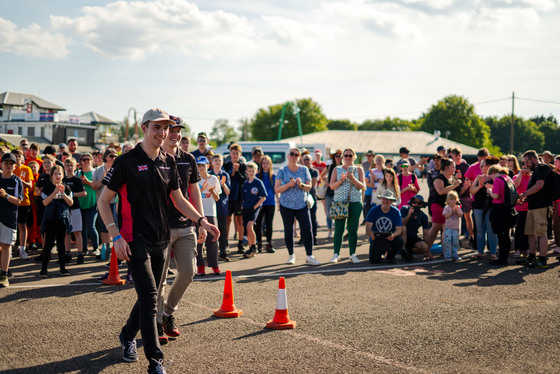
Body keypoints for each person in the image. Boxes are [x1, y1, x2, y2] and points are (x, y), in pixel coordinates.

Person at [98, 108, 219, 374]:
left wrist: (201, 220)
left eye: (165, 128)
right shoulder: (126, 161)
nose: (162, 133)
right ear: (144, 128)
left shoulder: (169, 161)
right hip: (134, 239)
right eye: (157, 127)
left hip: (161, 238)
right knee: (152, 297)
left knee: (147, 297)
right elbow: (103, 201)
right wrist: (115, 235)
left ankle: (127, 334)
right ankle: (156, 362)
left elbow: (178, 199)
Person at [156, 115, 204, 343]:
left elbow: (194, 192)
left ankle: (167, 312)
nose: (175, 134)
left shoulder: (189, 159)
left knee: (188, 272)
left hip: (186, 226)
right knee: (160, 278)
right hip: (161, 228)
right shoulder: (156, 158)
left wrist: (201, 220)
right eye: (171, 130)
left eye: (178, 131)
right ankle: (155, 322)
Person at [275, 147, 320, 265]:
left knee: (307, 229)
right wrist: (289, 185)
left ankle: (309, 256)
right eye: (292, 154)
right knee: (289, 230)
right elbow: (277, 188)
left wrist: (301, 185)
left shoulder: (304, 169)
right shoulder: (282, 170)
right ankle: (291, 255)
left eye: (296, 154)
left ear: (299, 157)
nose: (294, 156)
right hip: (286, 205)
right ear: (288, 156)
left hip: (302, 204)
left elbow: (309, 187)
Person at [329, 148, 365, 263]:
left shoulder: (359, 169)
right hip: (339, 202)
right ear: (342, 157)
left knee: (352, 229)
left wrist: (352, 178)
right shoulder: (337, 169)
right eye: (346, 156)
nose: (348, 158)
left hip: (355, 202)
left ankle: (352, 254)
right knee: (339, 229)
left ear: (354, 157)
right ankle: (336, 254)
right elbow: (332, 186)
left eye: (350, 155)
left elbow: (363, 186)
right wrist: (342, 180)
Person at [518, 150, 552, 268]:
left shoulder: (541, 168)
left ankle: (542, 259)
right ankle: (532, 256)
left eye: (526, 161)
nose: (525, 165)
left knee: (541, 233)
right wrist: (527, 198)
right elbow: (536, 189)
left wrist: (524, 194)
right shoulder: (536, 170)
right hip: (532, 206)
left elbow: (539, 185)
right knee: (530, 232)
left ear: (533, 158)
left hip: (541, 206)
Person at [39, 165, 73, 278]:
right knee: (48, 244)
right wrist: (55, 192)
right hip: (50, 219)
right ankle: (43, 269)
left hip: (62, 219)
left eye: (59, 174)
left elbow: (71, 203)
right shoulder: (47, 187)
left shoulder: (66, 187)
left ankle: (62, 268)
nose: (57, 176)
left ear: (62, 175)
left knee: (61, 244)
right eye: (55, 174)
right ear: (51, 176)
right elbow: (44, 202)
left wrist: (62, 194)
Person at [425, 158, 462, 260]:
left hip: (449, 206)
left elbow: (457, 194)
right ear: (446, 167)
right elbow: (440, 191)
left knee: (446, 229)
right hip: (437, 204)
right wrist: (454, 186)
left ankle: (446, 252)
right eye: (453, 166)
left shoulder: (453, 179)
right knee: (436, 226)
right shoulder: (438, 178)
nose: (455, 169)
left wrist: (465, 187)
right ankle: (427, 250)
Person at [469, 156, 500, 260]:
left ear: (488, 166)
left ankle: (493, 253)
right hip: (478, 207)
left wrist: (488, 186)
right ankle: (480, 252)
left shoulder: (495, 178)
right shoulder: (479, 177)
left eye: (482, 165)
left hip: (491, 207)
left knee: (491, 230)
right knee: (480, 230)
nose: (480, 167)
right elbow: (471, 191)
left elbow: (498, 190)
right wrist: (480, 186)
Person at [91, 148, 119, 262]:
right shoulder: (98, 170)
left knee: (115, 228)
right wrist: (103, 177)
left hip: (114, 203)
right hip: (102, 204)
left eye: (116, 156)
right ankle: (105, 251)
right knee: (104, 229)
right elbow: (94, 187)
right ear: (106, 157)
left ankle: (116, 253)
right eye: (112, 156)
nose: (114, 158)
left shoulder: (117, 169)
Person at [0, 153, 23, 288]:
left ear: (14, 166)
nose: (8, 166)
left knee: (6, 245)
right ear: (1, 164)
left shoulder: (16, 180)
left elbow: (19, 201)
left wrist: (6, 195)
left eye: (11, 163)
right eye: (6, 163)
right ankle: (3, 270)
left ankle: (4, 274)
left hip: (9, 218)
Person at [195, 156, 221, 273]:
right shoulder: (194, 179)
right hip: (198, 214)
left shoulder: (214, 178)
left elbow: (217, 198)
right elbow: (192, 197)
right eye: (198, 165)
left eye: (203, 165)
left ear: (208, 166)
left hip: (211, 212)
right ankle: (200, 266)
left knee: (213, 239)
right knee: (199, 240)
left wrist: (211, 191)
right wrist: (201, 190)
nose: (200, 168)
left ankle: (214, 266)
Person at [366, 190, 403, 264]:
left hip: (390, 237)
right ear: (381, 199)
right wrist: (371, 234)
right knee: (374, 261)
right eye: (384, 199)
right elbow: (368, 227)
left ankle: (390, 256)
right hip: (376, 238)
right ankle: (379, 254)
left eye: (388, 199)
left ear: (392, 201)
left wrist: (393, 235)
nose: (386, 201)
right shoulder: (373, 210)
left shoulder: (396, 211)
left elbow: (399, 229)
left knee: (399, 241)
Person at [487, 164, 513, 266]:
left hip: (499, 209)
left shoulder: (498, 180)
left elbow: (496, 195)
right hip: (508, 209)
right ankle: (504, 257)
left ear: (494, 173)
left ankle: (502, 259)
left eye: (490, 176)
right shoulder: (508, 178)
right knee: (506, 234)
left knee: (501, 235)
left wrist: (490, 191)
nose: (491, 179)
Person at [223, 143, 247, 253]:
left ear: (240, 154)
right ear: (230, 154)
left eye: (237, 154)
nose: (235, 155)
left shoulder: (242, 166)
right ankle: (226, 242)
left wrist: (236, 171)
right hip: (228, 197)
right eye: (233, 153)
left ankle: (240, 243)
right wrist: (231, 171)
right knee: (227, 219)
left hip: (238, 197)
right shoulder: (226, 164)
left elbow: (243, 180)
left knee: (239, 220)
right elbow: (225, 178)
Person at [62, 158, 86, 264]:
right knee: (66, 232)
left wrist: (71, 195)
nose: (69, 167)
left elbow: (83, 193)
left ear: (75, 167)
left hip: (75, 208)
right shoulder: (62, 180)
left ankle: (80, 254)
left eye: (71, 165)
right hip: (65, 209)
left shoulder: (77, 180)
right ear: (64, 167)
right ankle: (67, 253)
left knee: (77, 232)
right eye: (67, 165)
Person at [241, 162, 267, 258]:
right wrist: (242, 206)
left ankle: (254, 246)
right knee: (247, 228)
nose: (251, 172)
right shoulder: (245, 183)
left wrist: (255, 206)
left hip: (254, 209)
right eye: (249, 171)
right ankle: (251, 246)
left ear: (256, 171)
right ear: (247, 172)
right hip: (246, 208)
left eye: (253, 171)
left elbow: (263, 197)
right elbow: (243, 197)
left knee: (249, 226)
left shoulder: (258, 182)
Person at [449, 147, 474, 246]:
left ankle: (471, 237)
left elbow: (470, 179)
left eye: (458, 154)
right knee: (454, 217)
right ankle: (455, 239)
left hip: (466, 195)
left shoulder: (466, 166)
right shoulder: (451, 166)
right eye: (454, 155)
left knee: (467, 216)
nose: (457, 157)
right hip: (455, 195)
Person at [12, 149, 34, 260]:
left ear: (22, 158)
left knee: (22, 226)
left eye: (19, 156)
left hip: (24, 201)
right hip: (10, 201)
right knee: (10, 226)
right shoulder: (10, 169)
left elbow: (30, 186)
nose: (17, 158)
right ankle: (10, 249)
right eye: (15, 156)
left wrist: (20, 181)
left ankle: (22, 249)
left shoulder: (27, 169)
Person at [209, 153, 231, 260]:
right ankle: (210, 252)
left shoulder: (225, 175)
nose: (217, 162)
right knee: (210, 229)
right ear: (212, 162)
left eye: (219, 160)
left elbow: (227, 192)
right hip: (210, 206)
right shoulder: (209, 174)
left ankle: (223, 251)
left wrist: (222, 184)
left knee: (222, 229)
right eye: (215, 160)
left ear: (222, 163)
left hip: (222, 206)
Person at [78, 153, 100, 257]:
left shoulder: (95, 172)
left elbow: (97, 186)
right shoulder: (77, 173)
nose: (86, 161)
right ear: (80, 162)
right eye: (84, 159)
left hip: (93, 203)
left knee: (91, 226)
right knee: (82, 227)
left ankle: (96, 248)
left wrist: (87, 182)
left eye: (88, 159)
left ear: (91, 160)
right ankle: (84, 248)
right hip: (80, 204)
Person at [255, 155, 276, 253]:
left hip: (270, 202)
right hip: (259, 203)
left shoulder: (273, 176)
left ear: (270, 164)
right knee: (258, 224)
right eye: (263, 163)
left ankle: (269, 243)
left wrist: (279, 202)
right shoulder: (257, 175)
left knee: (269, 224)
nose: (265, 165)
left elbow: (276, 190)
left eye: (267, 163)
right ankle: (259, 244)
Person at [320, 149, 342, 238]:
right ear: (334, 157)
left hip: (340, 193)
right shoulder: (330, 166)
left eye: (340, 156)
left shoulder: (343, 167)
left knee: (339, 214)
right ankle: (329, 231)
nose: (338, 157)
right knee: (329, 213)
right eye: (336, 156)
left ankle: (338, 231)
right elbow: (321, 175)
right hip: (330, 192)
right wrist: (327, 183)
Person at [400, 195, 429, 260]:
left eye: (419, 203)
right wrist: (409, 215)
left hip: (412, 237)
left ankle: (408, 249)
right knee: (404, 228)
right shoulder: (405, 209)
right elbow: (402, 224)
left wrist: (428, 250)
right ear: (411, 202)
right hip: (401, 236)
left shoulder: (423, 216)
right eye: (414, 202)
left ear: (422, 205)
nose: (416, 204)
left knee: (424, 247)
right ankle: (402, 250)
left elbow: (425, 232)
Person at [513, 162, 531, 258]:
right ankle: (518, 249)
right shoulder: (516, 176)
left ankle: (527, 248)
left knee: (528, 230)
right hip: (519, 208)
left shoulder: (532, 177)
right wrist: (520, 174)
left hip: (529, 207)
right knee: (519, 229)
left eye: (527, 168)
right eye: (524, 167)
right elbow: (514, 186)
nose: (525, 170)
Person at [301, 154, 319, 245]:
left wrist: (302, 185)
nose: (306, 161)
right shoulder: (300, 171)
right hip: (302, 197)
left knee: (312, 218)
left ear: (311, 161)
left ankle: (314, 237)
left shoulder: (314, 171)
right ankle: (302, 237)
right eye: (304, 159)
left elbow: (313, 184)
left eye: (308, 159)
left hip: (311, 197)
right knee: (302, 218)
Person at [442, 191, 463, 261]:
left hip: (456, 228)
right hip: (448, 228)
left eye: (454, 199)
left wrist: (457, 211)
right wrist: (451, 211)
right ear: (448, 200)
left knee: (455, 242)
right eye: (451, 199)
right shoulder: (446, 208)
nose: (453, 201)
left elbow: (461, 215)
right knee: (447, 242)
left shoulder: (458, 208)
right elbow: (446, 216)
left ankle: (455, 255)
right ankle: (447, 255)